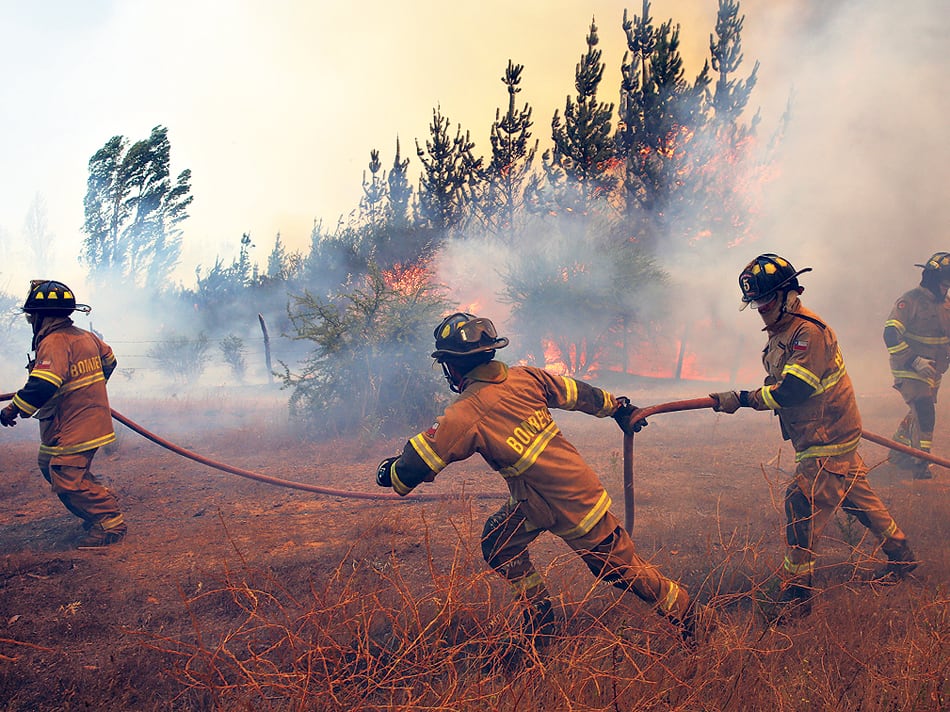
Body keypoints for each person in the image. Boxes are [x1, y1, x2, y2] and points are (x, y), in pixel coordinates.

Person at [375, 312, 697, 647]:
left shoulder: (466, 413)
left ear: (452, 366)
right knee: (499, 543)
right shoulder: (525, 377)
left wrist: (390, 471)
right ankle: (539, 614)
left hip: (574, 504)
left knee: (618, 569)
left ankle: (693, 616)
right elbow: (579, 393)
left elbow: (414, 466)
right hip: (537, 502)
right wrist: (617, 408)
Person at [709, 254, 918, 619]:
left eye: (766, 300)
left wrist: (743, 399)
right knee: (857, 496)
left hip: (827, 435)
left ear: (790, 295)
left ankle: (797, 592)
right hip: (823, 430)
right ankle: (901, 553)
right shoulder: (784, 332)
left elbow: (793, 390)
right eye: (755, 303)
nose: (761, 309)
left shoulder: (808, 332)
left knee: (800, 502)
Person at [0, 280, 126, 549]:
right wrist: (90, 391)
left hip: (75, 424)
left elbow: (43, 383)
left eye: (30, 316)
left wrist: (13, 409)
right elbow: (110, 361)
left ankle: (108, 521)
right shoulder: (85, 336)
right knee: (49, 463)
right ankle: (95, 504)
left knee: (65, 477)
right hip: (82, 420)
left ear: (40, 315)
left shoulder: (54, 342)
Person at [882, 251, 950, 480]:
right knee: (924, 409)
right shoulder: (909, 301)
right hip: (909, 367)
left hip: (933, 370)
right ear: (932, 280)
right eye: (944, 283)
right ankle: (920, 461)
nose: (946, 289)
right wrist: (914, 360)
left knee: (918, 412)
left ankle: (899, 451)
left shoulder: (946, 305)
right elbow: (890, 334)